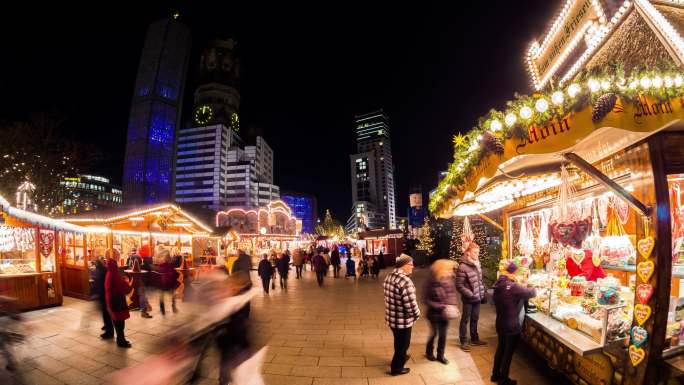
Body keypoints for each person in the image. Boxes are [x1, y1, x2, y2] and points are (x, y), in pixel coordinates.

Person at [491, 262, 536, 385]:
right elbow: (531, 293)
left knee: (500, 348)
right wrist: (534, 286)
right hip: (511, 324)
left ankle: (495, 375)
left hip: (500, 322)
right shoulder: (512, 286)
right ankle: (504, 379)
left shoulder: (499, 283)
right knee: (508, 353)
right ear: (514, 273)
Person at [383, 254, 420, 376]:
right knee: (404, 344)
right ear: (403, 265)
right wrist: (417, 314)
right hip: (402, 321)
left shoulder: (389, 276)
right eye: (410, 264)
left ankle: (401, 357)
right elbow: (411, 305)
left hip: (392, 319)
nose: (413, 266)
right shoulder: (405, 281)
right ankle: (397, 368)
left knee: (398, 341)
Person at [423, 259, 459, 365]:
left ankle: (440, 355)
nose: (450, 272)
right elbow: (426, 300)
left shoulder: (449, 281)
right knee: (434, 333)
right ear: (440, 270)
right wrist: (441, 306)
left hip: (445, 314)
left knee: (443, 335)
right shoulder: (431, 282)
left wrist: (453, 305)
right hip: (433, 314)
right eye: (448, 269)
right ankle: (429, 352)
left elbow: (452, 295)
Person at [455, 238, 487, 351]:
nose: (477, 254)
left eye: (478, 252)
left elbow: (479, 280)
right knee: (465, 319)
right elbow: (459, 285)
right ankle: (463, 341)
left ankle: (474, 339)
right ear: (468, 252)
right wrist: (470, 293)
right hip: (469, 298)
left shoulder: (477, 264)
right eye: (475, 252)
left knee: (475, 318)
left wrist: (483, 292)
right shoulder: (463, 266)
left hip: (477, 297)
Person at [104, 249, 132, 348]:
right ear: (114, 257)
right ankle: (121, 341)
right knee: (119, 321)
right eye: (118, 255)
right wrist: (126, 282)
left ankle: (121, 339)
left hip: (113, 297)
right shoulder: (113, 269)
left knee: (118, 320)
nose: (119, 257)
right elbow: (119, 285)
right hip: (116, 298)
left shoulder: (111, 267)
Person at [92, 256, 113, 339]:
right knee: (105, 313)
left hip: (104, 294)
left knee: (106, 313)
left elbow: (100, 283)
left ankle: (109, 331)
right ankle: (107, 327)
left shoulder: (101, 271)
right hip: (103, 294)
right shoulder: (103, 270)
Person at [231, 249, 253, 318]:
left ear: (239, 254)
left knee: (241, 297)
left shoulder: (237, 262)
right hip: (247, 281)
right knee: (247, 297)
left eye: (237, 253)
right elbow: (250, 267)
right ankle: (247, 312)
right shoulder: (248, 259)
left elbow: (233, 273)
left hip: (240, 283)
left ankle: (242, 313)